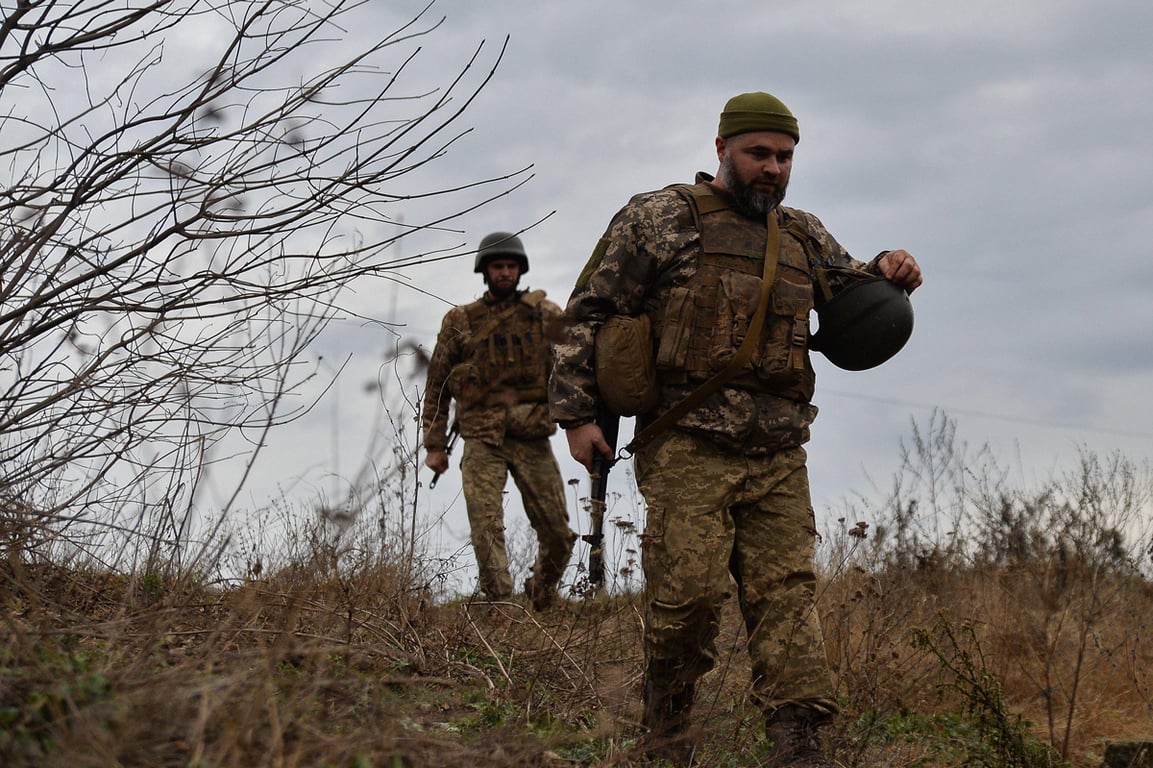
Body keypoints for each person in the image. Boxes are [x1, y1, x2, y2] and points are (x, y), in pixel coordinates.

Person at [549, 92, 922, 765]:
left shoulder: (802, 234)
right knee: (686, 598)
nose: (771, 168)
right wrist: (576, 416)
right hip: (687, 442)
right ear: (720, 149)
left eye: (783, 157)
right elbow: (588, 312)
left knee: (785, 597)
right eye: (757, 153)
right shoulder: (658, 218)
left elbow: (854, 296)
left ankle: (797, 741)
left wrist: (890, 269)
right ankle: (666, 729)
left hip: (780, 449)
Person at [422, 232, 577, 611]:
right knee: (486, 529)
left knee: (558, 532)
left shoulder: (547, 314)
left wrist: (583, 423)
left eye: (510, 266)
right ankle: (502, 606)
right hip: (481, 436)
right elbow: (438, 385)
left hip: (533, 433)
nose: (505, 273)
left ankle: (541, 590)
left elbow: (574, 369)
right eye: (498, 266)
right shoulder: (460, 320)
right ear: (485, 271)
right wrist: (435, 445)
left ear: (520, 269)